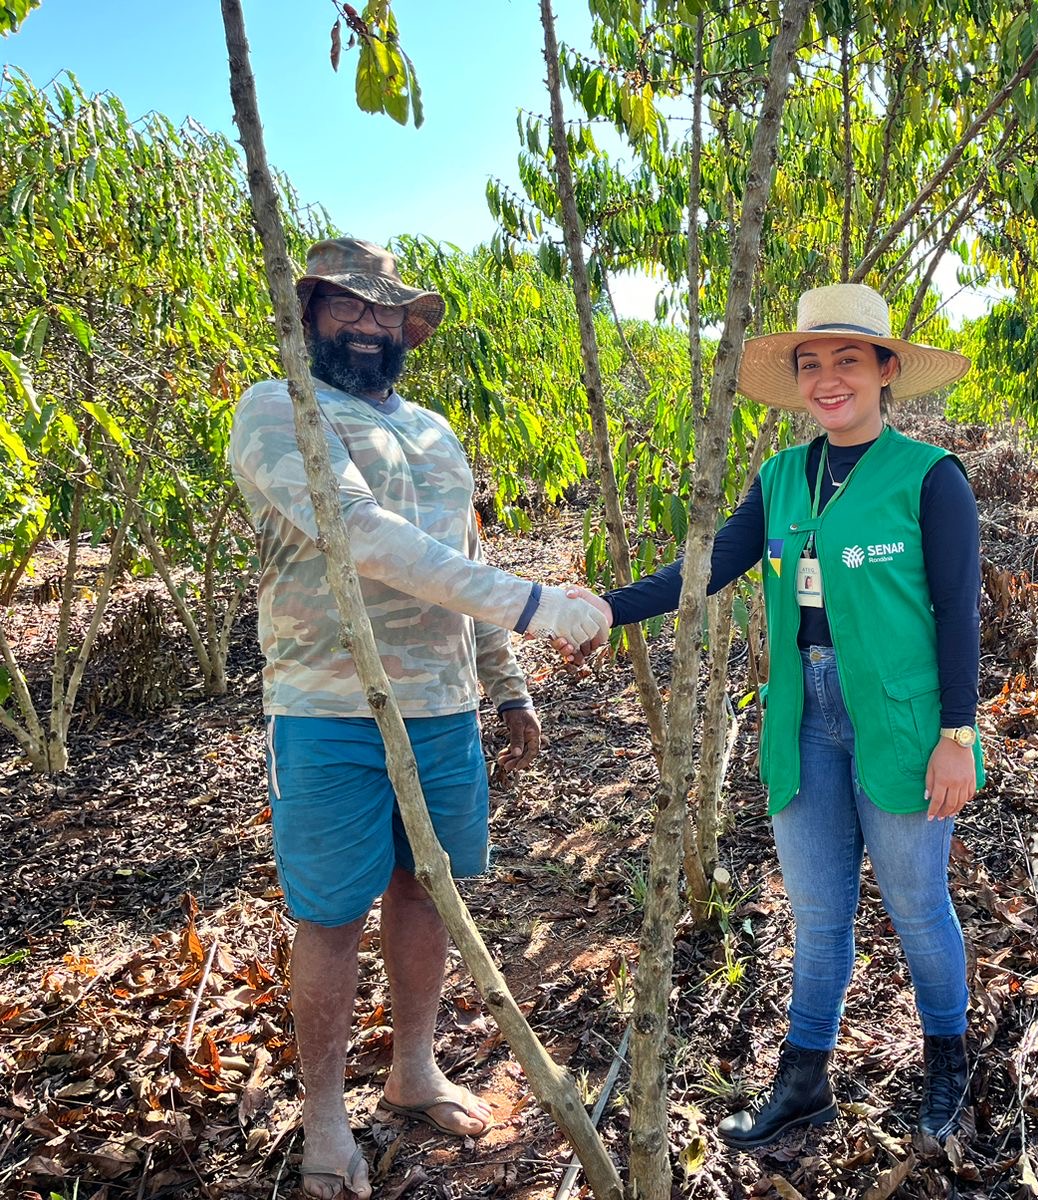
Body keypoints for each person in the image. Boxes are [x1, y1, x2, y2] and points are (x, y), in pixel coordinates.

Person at [227, 238, 608, 1200]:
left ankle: (413, 1067)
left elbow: (457, 555)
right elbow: (359, 532)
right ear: (309, 313)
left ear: (407, 328)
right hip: (328, 710)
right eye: (348, 308)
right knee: (328, 914)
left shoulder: (439, 432)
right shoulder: (280, 410)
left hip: (445, 709)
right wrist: (533, 603)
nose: (369, 325)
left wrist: (507, 680)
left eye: (385, 313)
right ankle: (322, 1115)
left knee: (426, 888)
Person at [565, 282, 984, 1149]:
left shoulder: (929, 479)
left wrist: (958, 736)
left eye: (846, 361)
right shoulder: (782, 476)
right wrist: (604, 608)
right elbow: (710, 568)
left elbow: (958, 611)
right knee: (819, 913)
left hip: (902, 724)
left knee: (915, 904)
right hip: (803, 717)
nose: (827, 380)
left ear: (885, 370)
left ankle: (949, 1057)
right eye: (810, 365)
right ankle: (805, 1078)